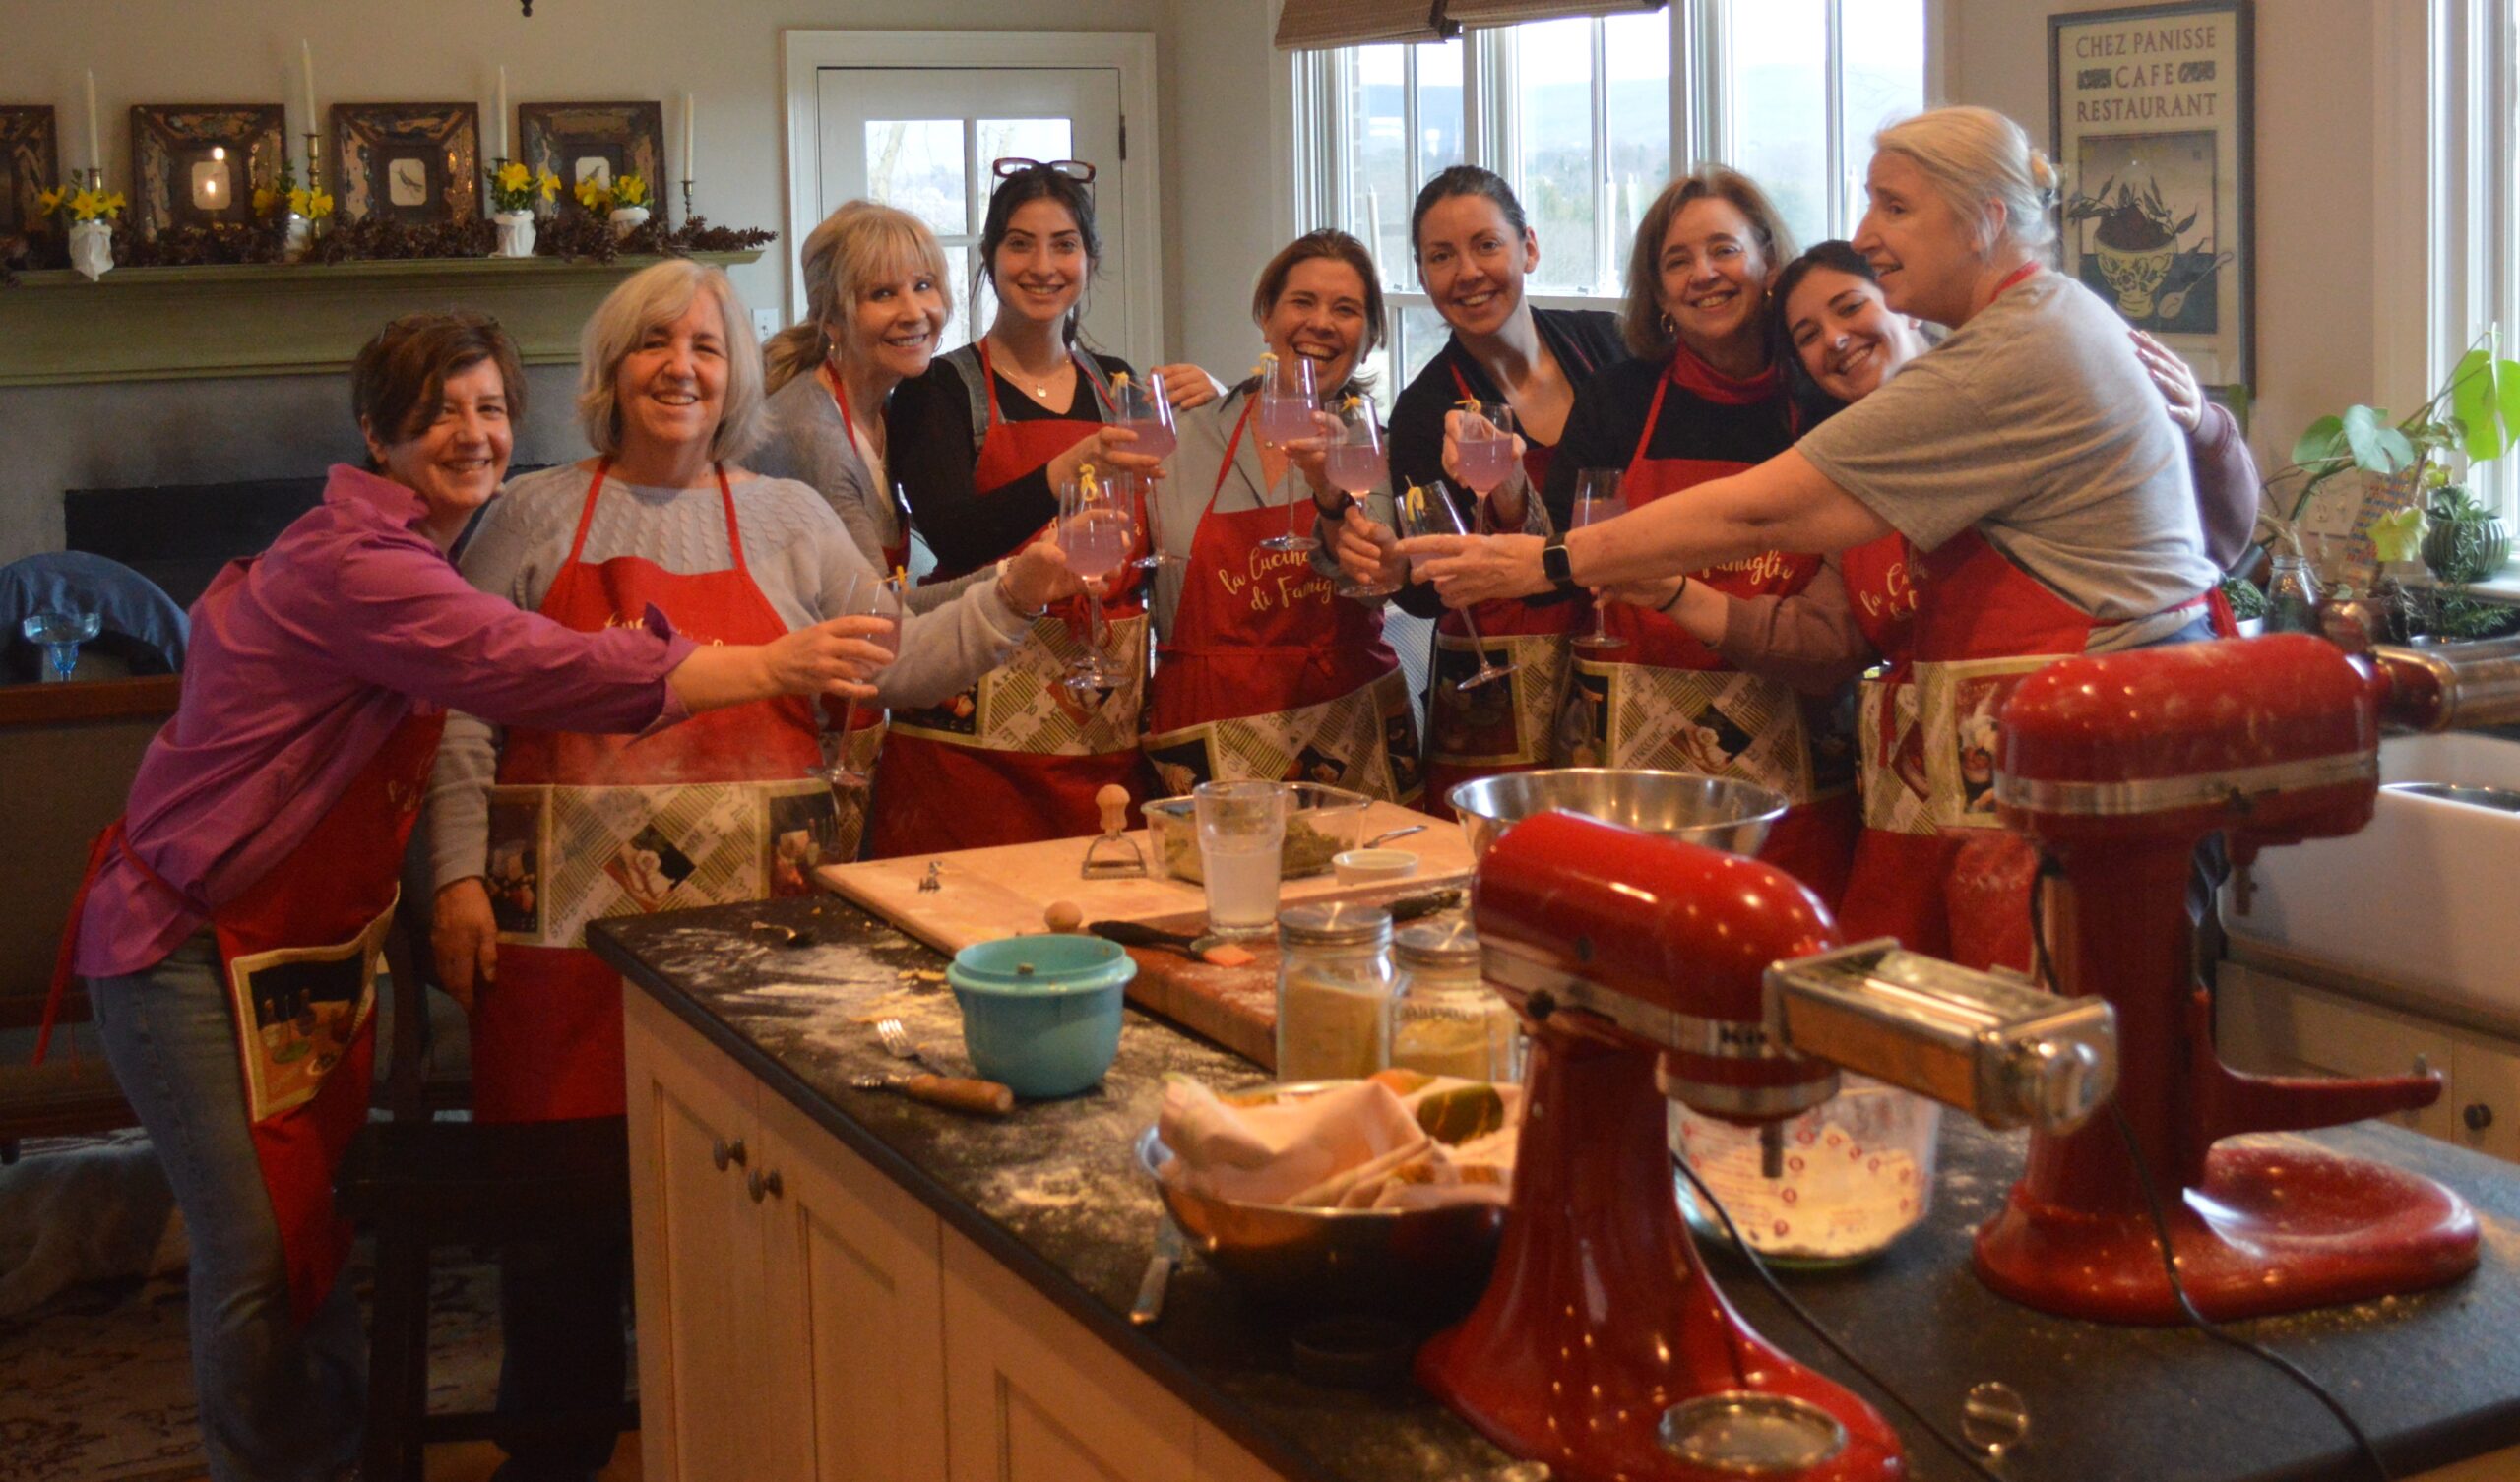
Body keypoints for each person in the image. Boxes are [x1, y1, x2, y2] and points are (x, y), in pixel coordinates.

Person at [50, 310, 884, 1482]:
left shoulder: (436, 547)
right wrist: (765, 667)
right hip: (187, 944)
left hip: (303, 950)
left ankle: (336, 1462)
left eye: (492, 408)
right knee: (250, 1259)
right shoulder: (362, 564)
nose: (472, 433)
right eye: (437, 411)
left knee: (310, 1238)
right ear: (376, 434)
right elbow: (523, 666)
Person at [422, 262, 1072, 1479]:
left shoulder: (784, 520)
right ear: (611, 372)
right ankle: (552, 1456)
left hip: (755, 952)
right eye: (655, 343)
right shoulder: (528, 516)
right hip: (557, 952)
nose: (683, 366)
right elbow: (458, 717)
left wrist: (1017, 596)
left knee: (738, 1238)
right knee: (560, 1245)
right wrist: (457, 877)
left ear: (733, 378)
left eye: (708, 347)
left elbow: (899, 661)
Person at [1400, 106, 2225, 956]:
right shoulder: (2029, 329)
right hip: (2045, 766)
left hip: (2092, 762)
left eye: (1894, 208)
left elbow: (1763, 510)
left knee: (2090, 1059)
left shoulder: (2007, 355)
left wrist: (1549, 560)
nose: (1865, 234)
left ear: (1987, 220)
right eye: (1869, 206)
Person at [1646, 239, 2258, 966]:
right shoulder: (1847, 472)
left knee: (2082, 1028)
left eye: (1851, 308)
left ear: (1902, 308)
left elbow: (2212, 545)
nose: (1834, 341)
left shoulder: (2025, 404)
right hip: (1914, 822)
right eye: (1807, 336)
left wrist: (2205, 427)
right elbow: (1825, 641)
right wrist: (1674, 592)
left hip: (2071, 805)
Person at [1353, 167, 1857, 900]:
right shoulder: (1613, 397)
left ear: (1770, 260)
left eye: (1723, 250)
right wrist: (1502, 499)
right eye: (1677, 260)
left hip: (1793, 750)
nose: (1702, 275)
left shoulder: (1818, 396)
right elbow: (1557, 555)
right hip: (1629, 751)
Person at [873, 159, 1209, 852]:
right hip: (970, 733)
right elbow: (956, 536)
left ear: (1089, 259)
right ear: (991, 258)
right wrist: (1062, 470)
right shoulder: (938, 388)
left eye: (1064, 244)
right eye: (1020, 243)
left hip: (1097, 726)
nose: (1043, 265)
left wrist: (1218, 399)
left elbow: (1167, 523)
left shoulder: (1115, 381)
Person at [1142, 229, 1420, 802]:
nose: (1321, 322)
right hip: (1205, 738)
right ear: (1266, 318)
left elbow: (1369, 583)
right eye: (1302, 302)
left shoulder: (1375, 452)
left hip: (1346, 742)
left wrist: (1329, 491)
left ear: (1368, 342)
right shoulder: (1185, 435)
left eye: (1346, 310)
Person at [1381, 166, 1625, 816]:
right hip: (1492, 697)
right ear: (1423, 275)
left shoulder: (1606, 348)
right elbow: (1418, 595)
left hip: (1614, 659)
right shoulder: (1421, 410)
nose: (1467, 271)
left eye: (1486, 244)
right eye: (1441, 256)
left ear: (1530, 249)